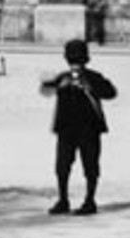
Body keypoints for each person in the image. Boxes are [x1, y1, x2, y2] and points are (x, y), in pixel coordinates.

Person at [40, 39, 117, 215]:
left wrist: (90, 87)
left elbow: (111, 92)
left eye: (78, 60)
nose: (76, 65)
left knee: (90, 166)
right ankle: (63, 199)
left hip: (89, 128)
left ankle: (90, 200)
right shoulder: (63, 77)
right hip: (67, 128)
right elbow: (45, 91)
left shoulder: (94, 77)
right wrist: (55, 84)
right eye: (73, 61)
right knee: (62, 166)